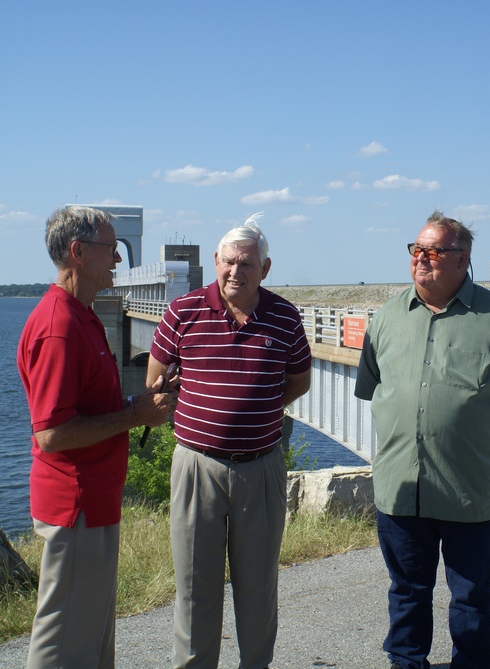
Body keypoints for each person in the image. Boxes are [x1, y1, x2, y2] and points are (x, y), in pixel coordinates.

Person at [354, 210, 490, 669]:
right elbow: (374, 385)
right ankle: (406, 661)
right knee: (406, 592)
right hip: (402, 490)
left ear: (463, 260)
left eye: (434, 251)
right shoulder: (386, 319)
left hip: (467, 490)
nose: (422, 259)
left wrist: (470, 420)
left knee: (472, 596)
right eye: (416, 250)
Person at [147, 216, 312, 669]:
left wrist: (253, 405)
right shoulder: (183, 311)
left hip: (260, 468)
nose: (236, 271)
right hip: (196, 466)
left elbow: (298, 381)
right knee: (195, 589)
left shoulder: (284, 316)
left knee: (257, 589)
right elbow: (156, 382)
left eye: (247, 264)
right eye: (229, 262)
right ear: (216, 261)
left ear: (266, 267)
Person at [17, 205, 177, 669]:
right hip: (76, 508)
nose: (118, 262)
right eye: (111, 250)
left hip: (91, 507)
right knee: (64, 642)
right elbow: (51, 432)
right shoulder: (59, 328)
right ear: (78, 252)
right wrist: (135, 417)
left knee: (88, 642)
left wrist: (135, 408)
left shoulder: (79, 316)